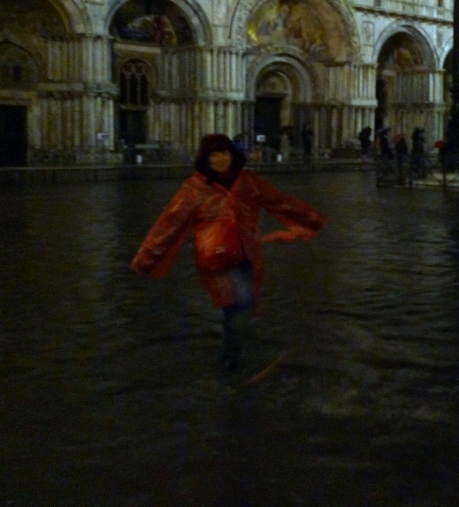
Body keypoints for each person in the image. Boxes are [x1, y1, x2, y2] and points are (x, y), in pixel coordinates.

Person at [131, 134, 327, 373]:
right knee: (241, 302)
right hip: (217, 256)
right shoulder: (194, 189)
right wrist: (146, 259)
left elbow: (280, 201)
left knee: (237, 307)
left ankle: (232, 354)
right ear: (206, 159)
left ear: (232, 154)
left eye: (224, 153)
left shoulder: (248, 181)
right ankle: (231, 361)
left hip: (247, 252)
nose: (220, 159)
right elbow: (169, 224)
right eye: (214, 154)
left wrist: (311, 220)